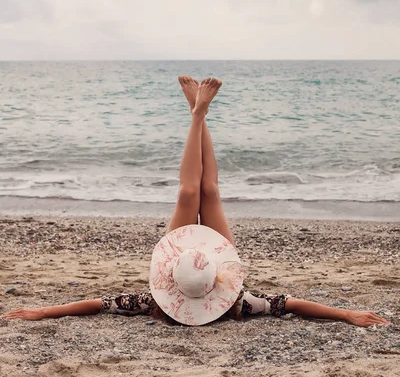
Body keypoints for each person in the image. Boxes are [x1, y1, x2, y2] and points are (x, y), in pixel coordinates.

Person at [3, 77, 391, 329]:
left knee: (189, 193)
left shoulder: (150, 302)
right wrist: (346, 315)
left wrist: (44, 311)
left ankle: (197, 116)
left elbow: (95, 304)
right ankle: (199, 114)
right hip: (217, 263)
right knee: (210, 192)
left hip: (182, 260)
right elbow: (294, 304)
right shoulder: (240, 303)